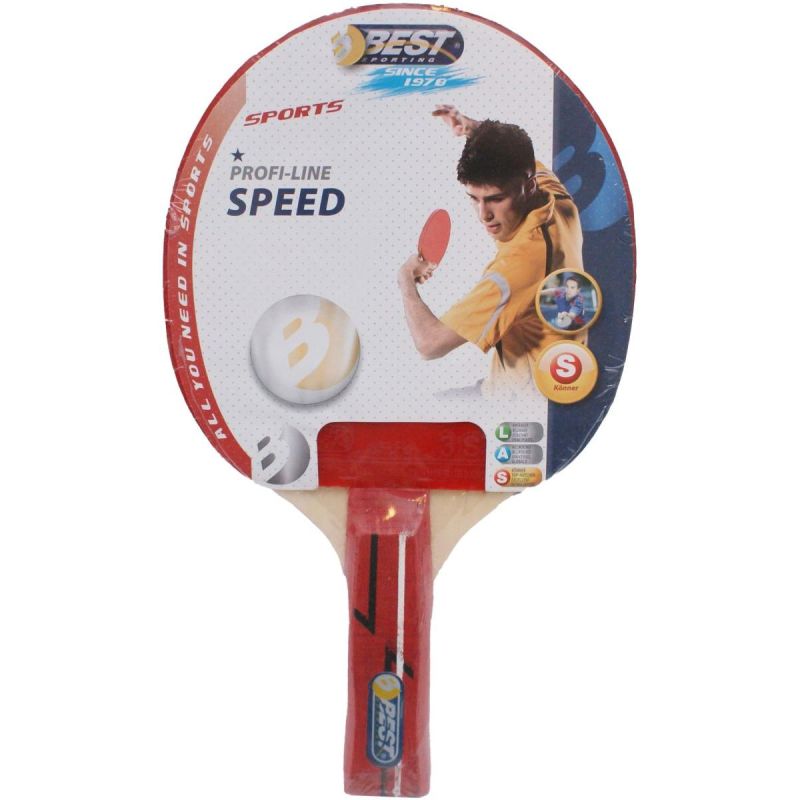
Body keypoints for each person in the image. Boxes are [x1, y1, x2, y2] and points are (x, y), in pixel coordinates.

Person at [397, 105, 584, 398]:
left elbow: (429, 344)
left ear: (527, 186)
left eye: (495, 199)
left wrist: (405, 280)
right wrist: (474, 129)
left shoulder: (517, 267)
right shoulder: (557, 199)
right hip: (538, 379)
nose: (483, 215)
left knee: (417, 402)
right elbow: (517, 153)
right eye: (474, 199)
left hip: (516, 402)